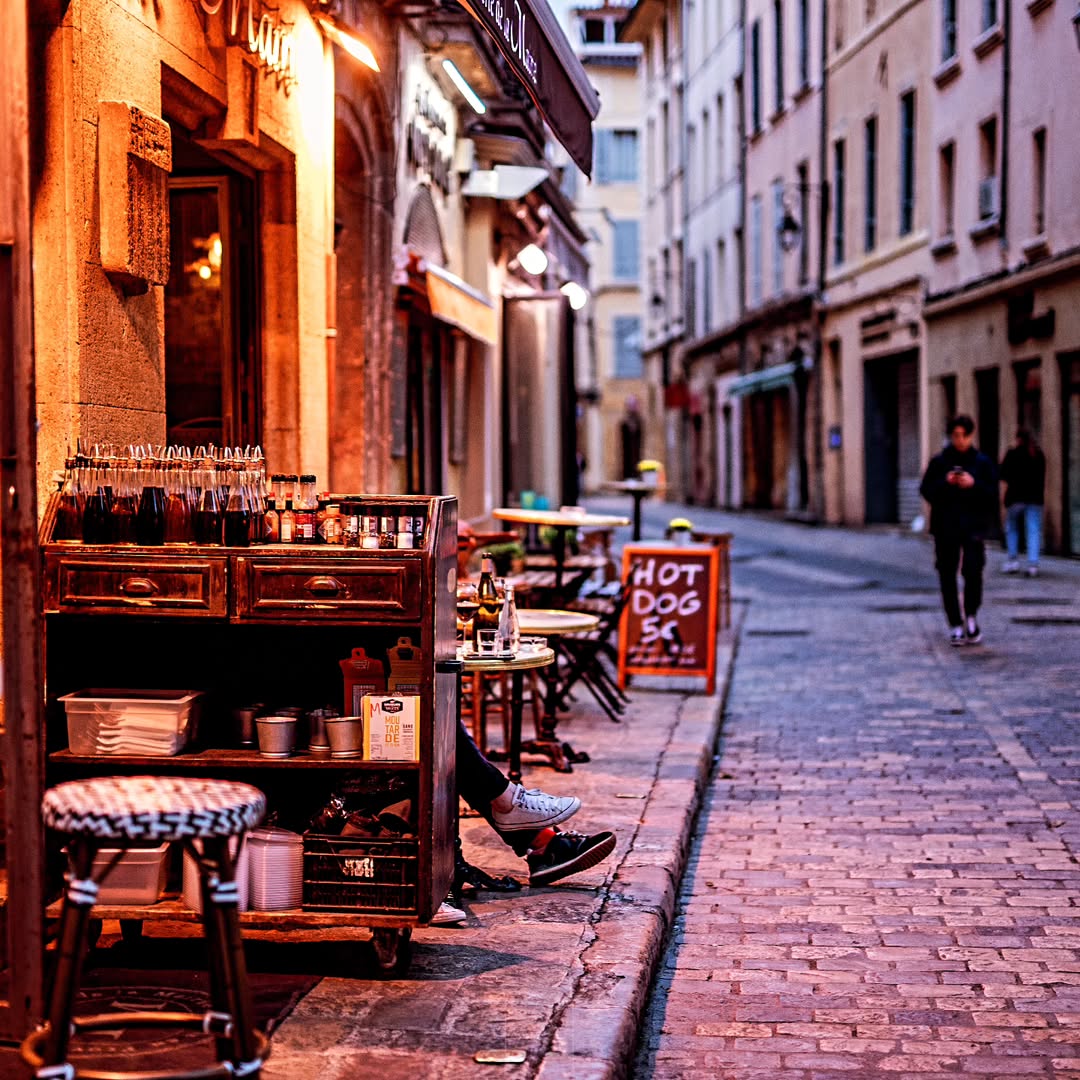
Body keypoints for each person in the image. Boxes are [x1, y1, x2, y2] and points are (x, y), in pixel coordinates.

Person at [919, 415, 998, 646]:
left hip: (973, 527)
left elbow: (991, 493)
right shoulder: (940, 462)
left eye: (963, 435)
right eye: (955, 436)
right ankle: (955, 623)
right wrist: (945, 482)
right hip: (945, 527)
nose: (959, 440)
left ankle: (971, 617)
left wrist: (973, 484)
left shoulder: (981, 462)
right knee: (947, 574)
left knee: (973, 571)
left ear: (971, 435)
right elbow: (926, 490)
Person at [999, 428, 1046, 577]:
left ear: (1018, 439)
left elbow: (1002, 474)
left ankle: (1013, 560)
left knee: (1012, 528)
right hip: (1034, 498)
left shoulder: (1013, 454)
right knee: (1033, 530)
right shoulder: (1038, 455)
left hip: (1015, 498)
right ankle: (1033, 564)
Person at [619, 396, 643, 480]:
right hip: (627, 452)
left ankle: (637, 476)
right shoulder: (625, 421)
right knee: (628, 460)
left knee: (637, 460)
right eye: (630, 405)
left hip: (636, 451)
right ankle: (628, 477)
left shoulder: (639, 420)